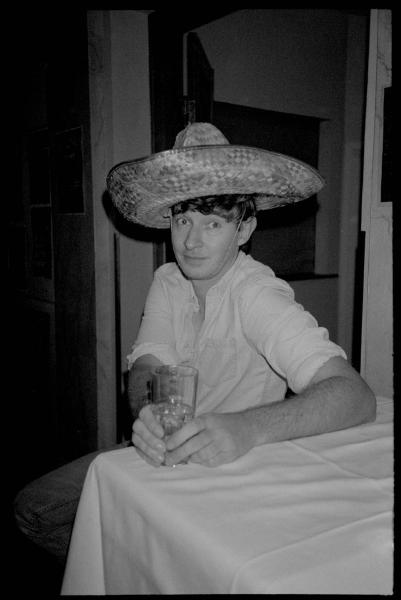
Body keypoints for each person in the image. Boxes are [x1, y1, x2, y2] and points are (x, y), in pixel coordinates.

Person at [14, 122, 376, 563]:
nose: (191, 241)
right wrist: (147, 414)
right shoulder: (168, 281)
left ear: (244, 229)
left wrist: (245, 427)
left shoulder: (257, 294)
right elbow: (147, 365)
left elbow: (354, 395)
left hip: (232, 466)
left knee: (164, 547)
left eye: (213, 223)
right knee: (36, 509)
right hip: (162, 453)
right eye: (183, 219)